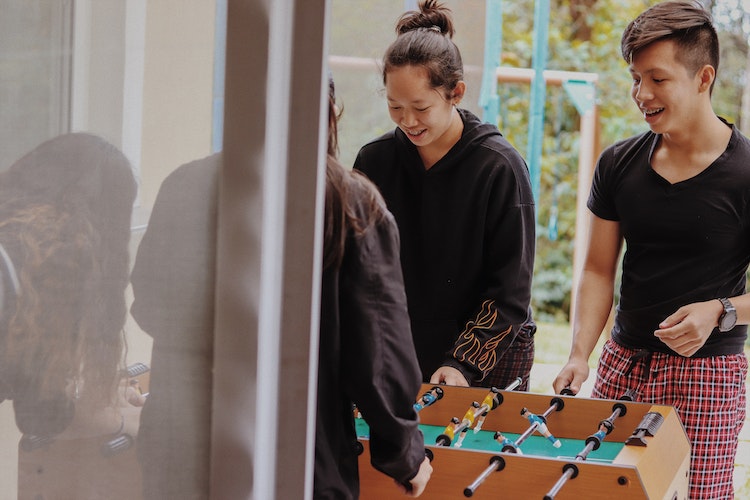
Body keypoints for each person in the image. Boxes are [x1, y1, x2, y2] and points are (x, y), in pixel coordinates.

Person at [552, 2, 748, 498]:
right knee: (602, 491)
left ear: (703, 77)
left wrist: (721, 311)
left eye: (657, 79)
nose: (642, 94)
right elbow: (598, 270)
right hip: (623, 362)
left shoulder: (746, 174)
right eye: (636, 78)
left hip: (708, 376)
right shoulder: (617, 164)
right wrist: (581, 353)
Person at [354, 0, 536, 390]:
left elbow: (510, 292)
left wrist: (462, 363)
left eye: (420, 107)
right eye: (394, 106)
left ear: (456, 92)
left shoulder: (499, 168)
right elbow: (356, 267)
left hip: (486, 359)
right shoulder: (374, 161)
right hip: (401, 350)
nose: (407, 121)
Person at [315, 77, 431, 498]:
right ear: (329, 115)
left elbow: (149, 303)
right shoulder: (349, 200)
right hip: (305, 455)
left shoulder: (192, 184)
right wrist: (406, 456)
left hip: (193, 446)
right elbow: (377, 353)